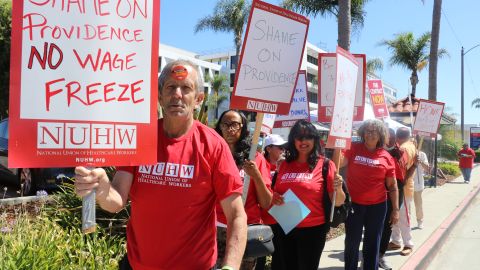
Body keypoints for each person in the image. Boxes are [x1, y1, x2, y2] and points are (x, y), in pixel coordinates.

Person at [74, 60, 247, 270]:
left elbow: (237, 215)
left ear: (198, 99)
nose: (177, 94)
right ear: (160, 96)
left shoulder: (213, 145)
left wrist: (230, 267)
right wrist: (102, 189)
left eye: (186, 88)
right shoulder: (140, 138)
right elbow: (117, 200)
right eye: (170, 87)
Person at [271, 120, 345, 270]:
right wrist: (274, 196)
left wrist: (339, 188)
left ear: (315, 140)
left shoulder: (325, 165)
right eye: (299, 137)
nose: (303, 141)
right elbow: (275, 190)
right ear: (293, 140)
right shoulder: (284, 164)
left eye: (308, 137)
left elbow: (338, 202)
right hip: (285, 226)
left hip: (313, 230)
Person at [215, 109, 273, 270]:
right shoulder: (213, 154)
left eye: (234, 124)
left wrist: (256, 176)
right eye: (225, 124)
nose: (229, 129)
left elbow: (267, 202)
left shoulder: (255, 159)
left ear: (243, 127)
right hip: (215, 227)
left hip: (245, 229)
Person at [338, 119, 399, 270]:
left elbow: (392, 185)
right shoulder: (353, 148)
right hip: (354, 205)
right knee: (352, 242)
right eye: (368, 131)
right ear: (363, 133)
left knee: (372, 242)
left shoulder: (386, 156)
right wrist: (338, 142)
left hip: (377, 206)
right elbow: (339, 163)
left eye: (374, 132)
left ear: (380, 135)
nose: (370, 134)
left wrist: (396, 209)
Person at [255, 133, 287, 270]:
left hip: (281, 219)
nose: (282, 150)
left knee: (280, 258)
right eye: (279, 147)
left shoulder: (285, 166)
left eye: (283, 147)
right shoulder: (259, 164)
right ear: (268, 149)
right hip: (262, 220)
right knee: (260, 259)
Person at [378, 128, 406, 270]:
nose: (393, 139)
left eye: (394, 136)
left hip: (396, 191)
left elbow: (403, 174)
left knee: (389, 224)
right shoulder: (376, 151)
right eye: (390, 136)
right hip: (380, 192)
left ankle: (380, 255)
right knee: (376, 226)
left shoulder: (399, 151)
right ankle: (370, 256)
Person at [389, 127, 417, 257]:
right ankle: (396, 241)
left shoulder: (403, 149)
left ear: (397, 137)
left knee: (403, 216)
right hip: (401, 187)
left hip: (402, 188)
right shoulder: (410, 145)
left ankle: (408, 244)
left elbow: (401, 170)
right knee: (396, 216)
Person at [413, 150, 429, 229]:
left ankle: (420, 221)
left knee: (418, 205)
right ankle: (405, 224)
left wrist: (420, 161)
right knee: (405, 207)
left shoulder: (422, 154)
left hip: (417, 185)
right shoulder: (405, 151)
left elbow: (427, 168)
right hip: (407, 184)